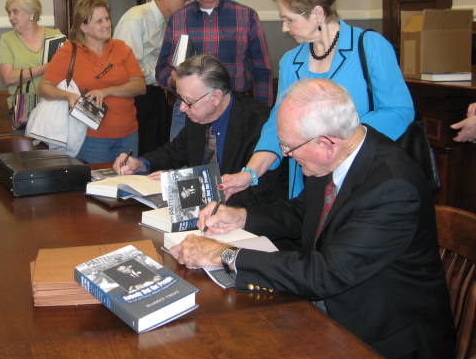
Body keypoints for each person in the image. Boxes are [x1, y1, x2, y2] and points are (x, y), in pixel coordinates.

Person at [171, 79, 455, 359]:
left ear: (326, 143)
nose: (286, 155)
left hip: (381, 334)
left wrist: (226, 254)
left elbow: (327, 273)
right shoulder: (341, 152)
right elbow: (301, 211)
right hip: (331, 304)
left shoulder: (392, 187)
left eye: (288, 147)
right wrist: (242, 216)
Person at [222, 0, 414, 200]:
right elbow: (277, 125)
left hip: (361, 177)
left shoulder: (370, 46)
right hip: (306, 184)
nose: (284, 28)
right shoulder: (291, 61)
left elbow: (399, 111)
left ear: (317, 14)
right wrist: (250, 173)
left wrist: (336, 142)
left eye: (289, 20)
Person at [113, 54, 284, 207]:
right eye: (180, 98)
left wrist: (185, 185)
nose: (182, 108)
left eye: (188, 101)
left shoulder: (259, 123)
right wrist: (141, 163)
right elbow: (175, 151)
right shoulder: (199, 114)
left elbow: (258, 191)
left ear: (216, 97)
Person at [155, 0, 273, 140]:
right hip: (188, 111)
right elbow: (161, 69)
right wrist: (175, 82)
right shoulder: (178, 19)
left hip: (235, 109)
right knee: (185, 166)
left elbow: (262, 71)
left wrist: (263, 115)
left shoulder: (245, 16)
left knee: (233, 167)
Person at [39, 0, 145, 163]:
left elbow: (140, 86)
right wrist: (67, 96)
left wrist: (106, 91)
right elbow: (44, 87)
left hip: (128, 134)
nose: (107, 24)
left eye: (107, 18)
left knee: (127, 185)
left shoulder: (121, 48)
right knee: (97, 186)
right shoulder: (69, 52)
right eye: (99, 21)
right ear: (83, 27)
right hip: (90, 138)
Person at [114, 0, 191, 154]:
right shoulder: (135, 18)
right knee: (142, 150)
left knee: (158, 147)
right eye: (183, 0)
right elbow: (129, 65)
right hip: (137, 96)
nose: (186, 5)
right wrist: (166, 76)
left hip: (156, 93)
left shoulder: (170, 21)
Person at [0, 0, 62, 131]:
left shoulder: (56, 36)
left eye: (15, 12)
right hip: (24, 110)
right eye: (9, 13)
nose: (11, 17)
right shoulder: (7, 39)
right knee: (26, 152)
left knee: (53, 153)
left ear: (31, 13)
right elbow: (8, 78)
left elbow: (69, 70)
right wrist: (43, 68)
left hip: (54, 108)